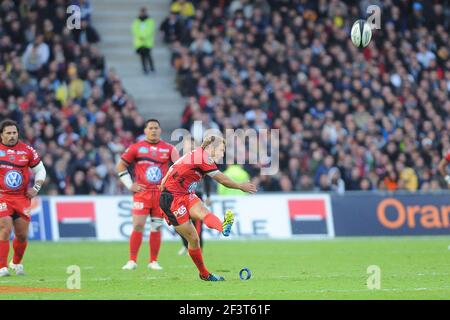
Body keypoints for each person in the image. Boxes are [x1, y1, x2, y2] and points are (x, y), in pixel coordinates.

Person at [159, 135, 257, 281]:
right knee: (193, 238)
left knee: (203, 213)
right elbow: (222, 180)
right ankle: (204, 273)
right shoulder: (204, 158)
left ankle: (222, 228)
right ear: (212, 148)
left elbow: (172, 170)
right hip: (171, 198)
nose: (223, 154)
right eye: (221, 150)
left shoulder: (199, 153)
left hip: (185, 194)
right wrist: (240, 186)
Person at [117, 119, 179, 271]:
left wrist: (172, 187)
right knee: (138, 225)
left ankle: (153, 261)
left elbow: (178, 168)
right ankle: (132, 260)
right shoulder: (136, 148)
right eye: (150, 128)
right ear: (145, 130)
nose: (153, 130)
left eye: (156, 128)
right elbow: (120, 166)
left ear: (160, 130)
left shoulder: (169, 149)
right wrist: (129, 185)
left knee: (156, 227)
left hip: (160, 195)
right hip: (142, 193)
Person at [0, 120, 46, 277]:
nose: (12, 136)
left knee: (22, 235)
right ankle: (2, 267)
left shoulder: (27, 150)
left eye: (14, 133)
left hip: (21, 198)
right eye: (8, 133)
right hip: (2, 196)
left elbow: (41, 171)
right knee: (5, 228)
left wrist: (36, 188)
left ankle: (16, 263)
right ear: (1, 135)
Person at [177, 137, 211, 255]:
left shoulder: (200, 161)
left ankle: (199, 249)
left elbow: (208, 180)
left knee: (197, 224)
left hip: (197, 195)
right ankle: (186, 246)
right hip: (180, 197)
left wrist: (208, 195)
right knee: (181, 224)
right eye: (187, 146)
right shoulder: (179, 161)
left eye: (192, 145)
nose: (189, 148)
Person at [131, 7, 156, 74]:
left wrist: (144, 36)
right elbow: (134, 30)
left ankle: (152, 68)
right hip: (139, 42)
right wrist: (140, 36)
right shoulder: (136, 21)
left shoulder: (150, 20)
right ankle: (145, 69)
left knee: (148, 56)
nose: (142, 13)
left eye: (143, 12)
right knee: (142, 57)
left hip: (147, 42)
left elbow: (150, 29)